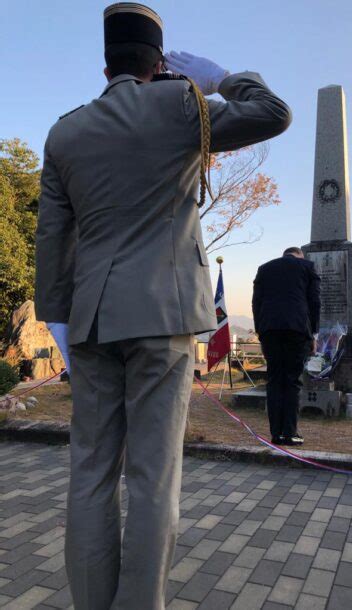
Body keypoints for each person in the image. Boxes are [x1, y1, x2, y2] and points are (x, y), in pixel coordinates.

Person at [34, 3, 292, 609]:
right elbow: (273, 114)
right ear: (160, 61)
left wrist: (61, 321)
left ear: (107, 64)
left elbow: (52, 240)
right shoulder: (183, 107)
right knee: (153, 480)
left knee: (91, 474)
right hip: (165, 315)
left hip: (93, 321)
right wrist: (224, 76)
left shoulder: (65, 131)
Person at [252, 247, 321, 446]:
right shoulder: (307, 267)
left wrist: (261, 332)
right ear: (300, 255)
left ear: (284, 254)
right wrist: (314, 334)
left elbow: (256, 303)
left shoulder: (264, 268)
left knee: (274, 381)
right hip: (297, 329)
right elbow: (314, 302)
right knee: (292, 381)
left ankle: (276, 434)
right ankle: (290, 433)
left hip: (270, 330)